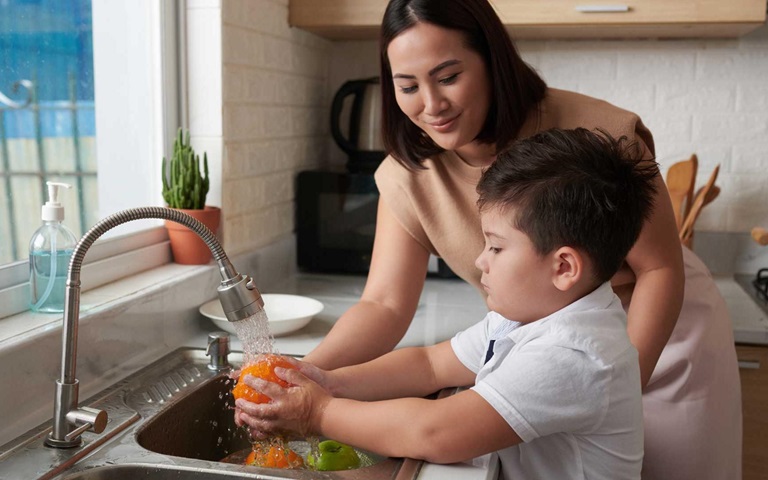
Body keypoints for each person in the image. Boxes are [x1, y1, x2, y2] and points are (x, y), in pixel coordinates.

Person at [302, 0, 742, 478]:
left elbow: (658, 268)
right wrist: (306, 374)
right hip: (550, 346)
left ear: (492, 61)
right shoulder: (410, 172)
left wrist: (618, 388)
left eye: (448, 77)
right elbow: (384, 305)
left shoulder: (598, 134)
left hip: (658, 336)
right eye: (408, 86)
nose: (431, 105)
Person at [236, 128, 655, 480]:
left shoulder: (575, 354)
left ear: (563, 267)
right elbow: (429, 364)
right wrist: (331, 382)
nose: (479, 260)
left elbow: (435, 431)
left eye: (495, 247)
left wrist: (318, 412)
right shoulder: (528, 317)